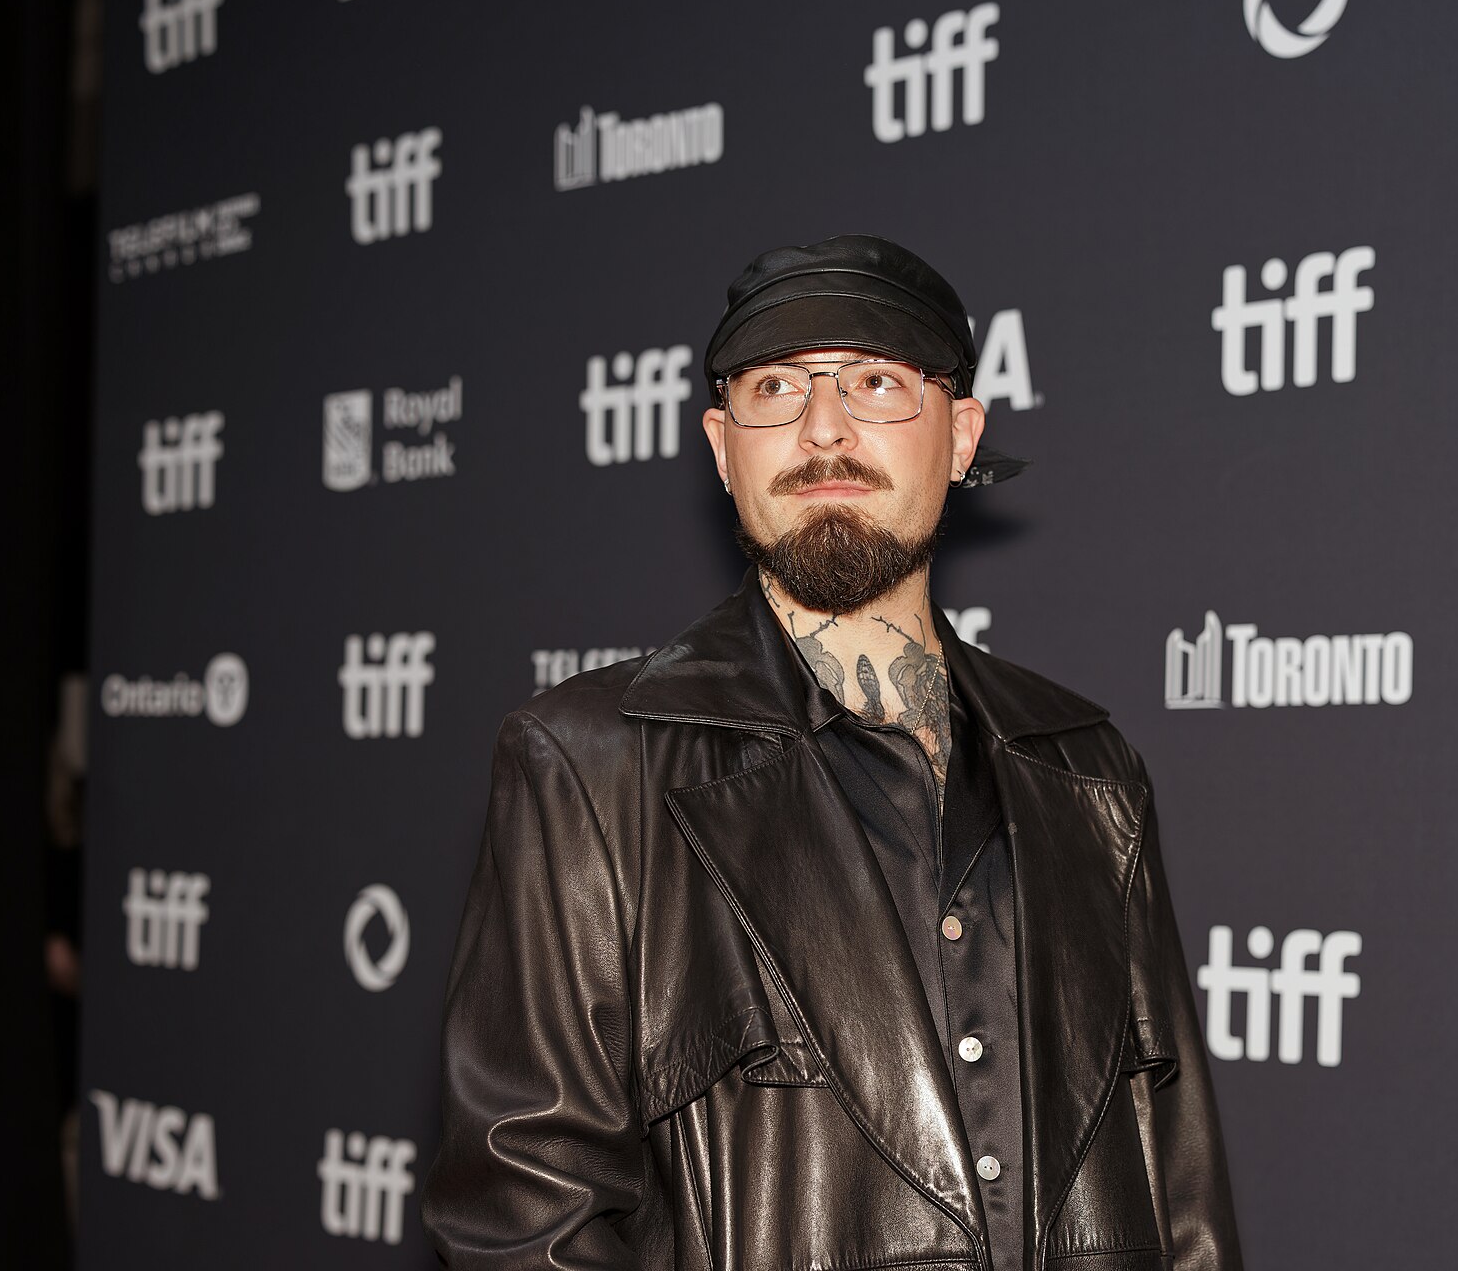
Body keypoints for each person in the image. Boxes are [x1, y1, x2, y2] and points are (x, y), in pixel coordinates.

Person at [420, 234, 1243, 1270]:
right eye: (774, 387)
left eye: (876, 381)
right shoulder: (588, 767)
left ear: (961, 435)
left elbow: (1181, 1200)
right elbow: (521, 1222)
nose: (823, 427)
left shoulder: (1088, 769)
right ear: (724, 448)